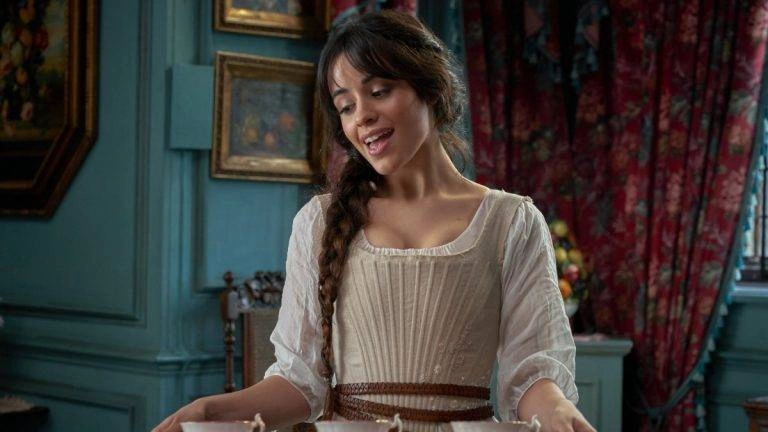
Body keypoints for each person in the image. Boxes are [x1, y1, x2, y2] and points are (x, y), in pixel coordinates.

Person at [153, 10, 595, 432]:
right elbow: (299, 383)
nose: (361, 115)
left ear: (431, 88)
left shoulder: (511, 222)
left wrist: (557, 409)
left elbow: (531, 377)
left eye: (379, 91)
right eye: (345, 106)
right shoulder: (320, 222)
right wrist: (212, 408)